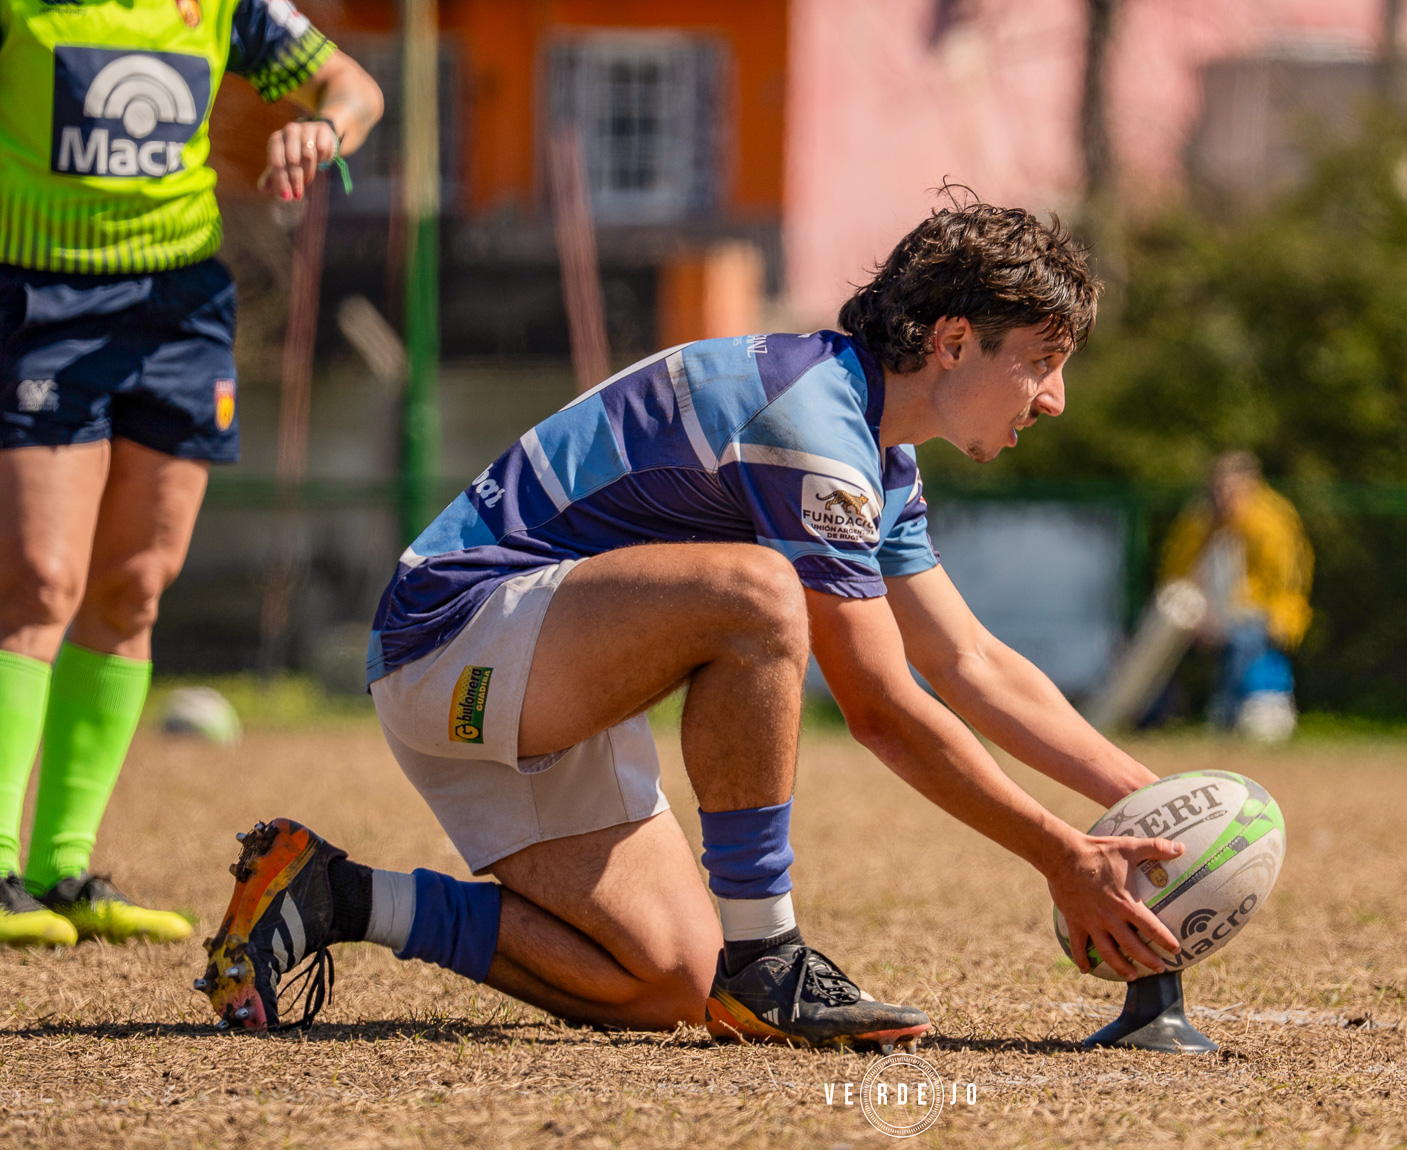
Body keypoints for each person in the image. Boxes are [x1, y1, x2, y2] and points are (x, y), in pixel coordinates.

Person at [198, 199, 1189, 1048]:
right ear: (954, 341)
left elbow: (969, 661)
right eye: (1042, 362)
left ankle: (337, 894)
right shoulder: (810, 421)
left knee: (665, 982)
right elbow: (882, 706)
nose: (1055, 399)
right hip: (454, 644)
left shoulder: (878, 458)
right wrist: (1062, 854)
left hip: (547, 671)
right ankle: (768, 956)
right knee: (760, 594)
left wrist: (1162, 806)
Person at [0, 0, 382, 946]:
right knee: (40, 579)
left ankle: (64, 871)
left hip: (179, 310)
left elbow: (353, 87)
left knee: (134, 587)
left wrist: (323, 130)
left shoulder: (220, 5)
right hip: (40, 297)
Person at [1158, 451, 1313, 742]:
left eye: (1231, 490)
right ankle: (1159, 716)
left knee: (1242, 639)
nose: (1224, 497)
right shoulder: (1199, 521)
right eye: (1218, 489)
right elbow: (1177, 572)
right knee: (1158, 639)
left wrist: (1230, 617)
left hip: (1264, 614)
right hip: (1207, 614)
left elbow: (1285, 585)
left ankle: (1226, 718)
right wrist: (1198, 615)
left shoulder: (1271, 521)